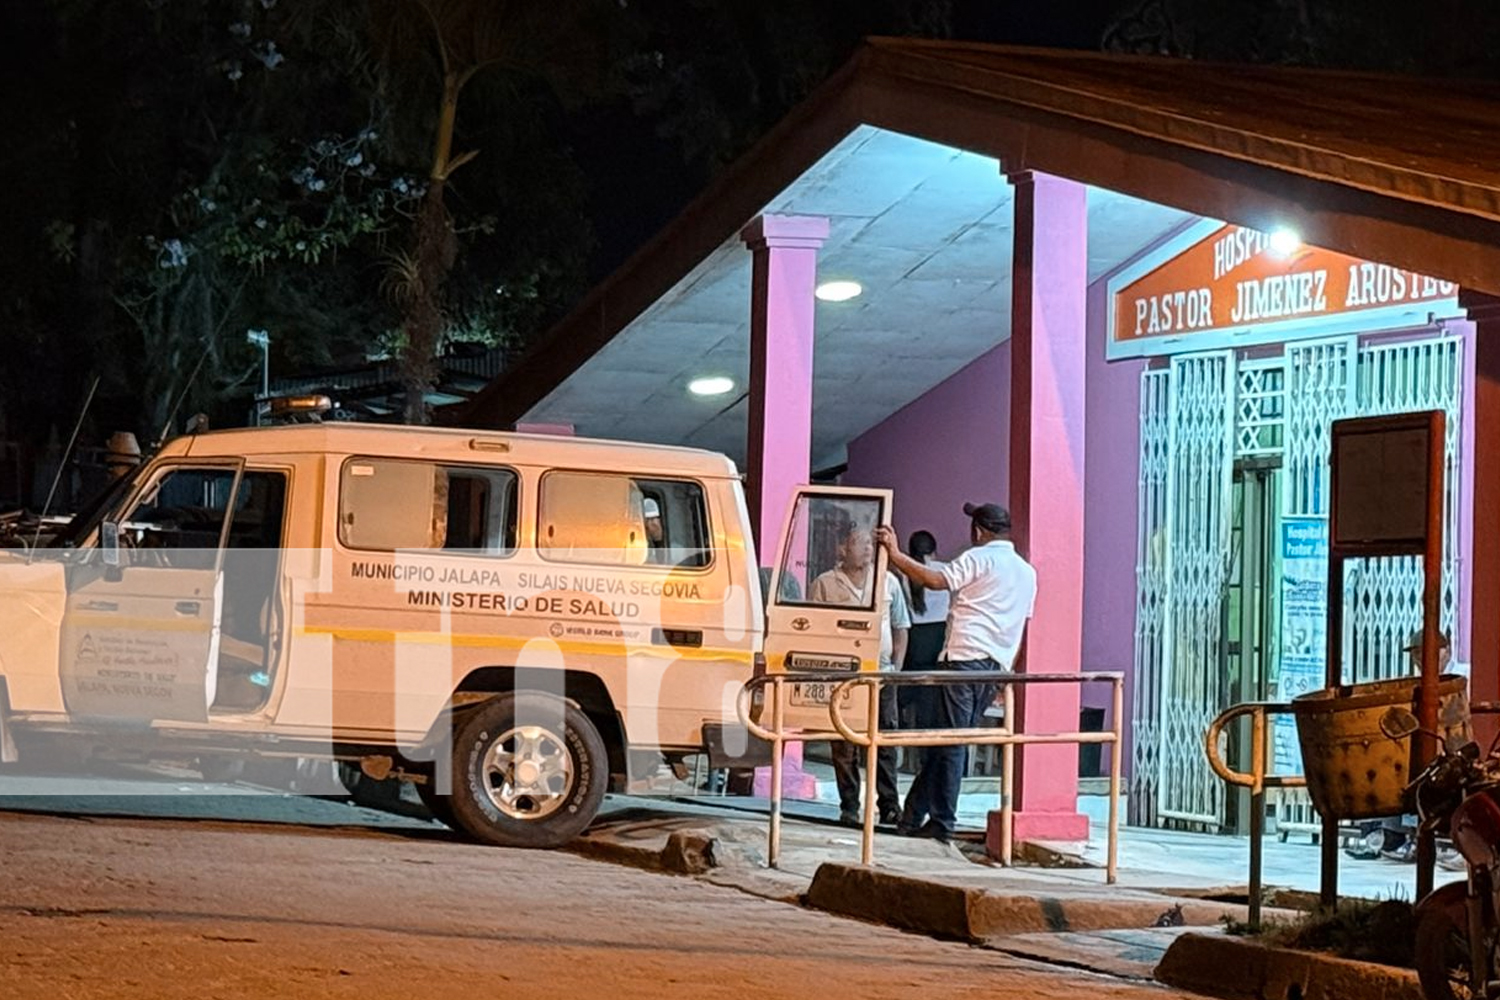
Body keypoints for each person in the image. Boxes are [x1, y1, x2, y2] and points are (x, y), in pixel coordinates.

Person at [877, 502, 1036, 843]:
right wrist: (1005, 674)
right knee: (944, 740)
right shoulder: (1027, 572)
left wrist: (895, 554)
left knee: (949, 744)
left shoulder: (977, 558)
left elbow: (936, 580)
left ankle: (942, 821)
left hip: (963, 659)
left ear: (979, 531)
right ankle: (913, 812)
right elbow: (1021, 628)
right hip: (995, 666)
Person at [829, 567, 910, 826]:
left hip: (881, 675)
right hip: (843, 675)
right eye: (858, 543)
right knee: (843, 742)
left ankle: (888, 805)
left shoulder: (889, 582)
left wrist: (896, 669)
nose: (865, 549)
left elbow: (900, 626)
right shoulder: (826, 583)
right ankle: (849, 806)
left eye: (868, 544)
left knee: (884, 740)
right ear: (843, 548)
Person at [900, 530, 949, 729]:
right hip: (938, 635)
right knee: (930, 695)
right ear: (934, 551)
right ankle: (926, 741)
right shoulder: (945, 569)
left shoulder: (905, 573)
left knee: (909, 687)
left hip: (914, 636)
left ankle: (901, 732)